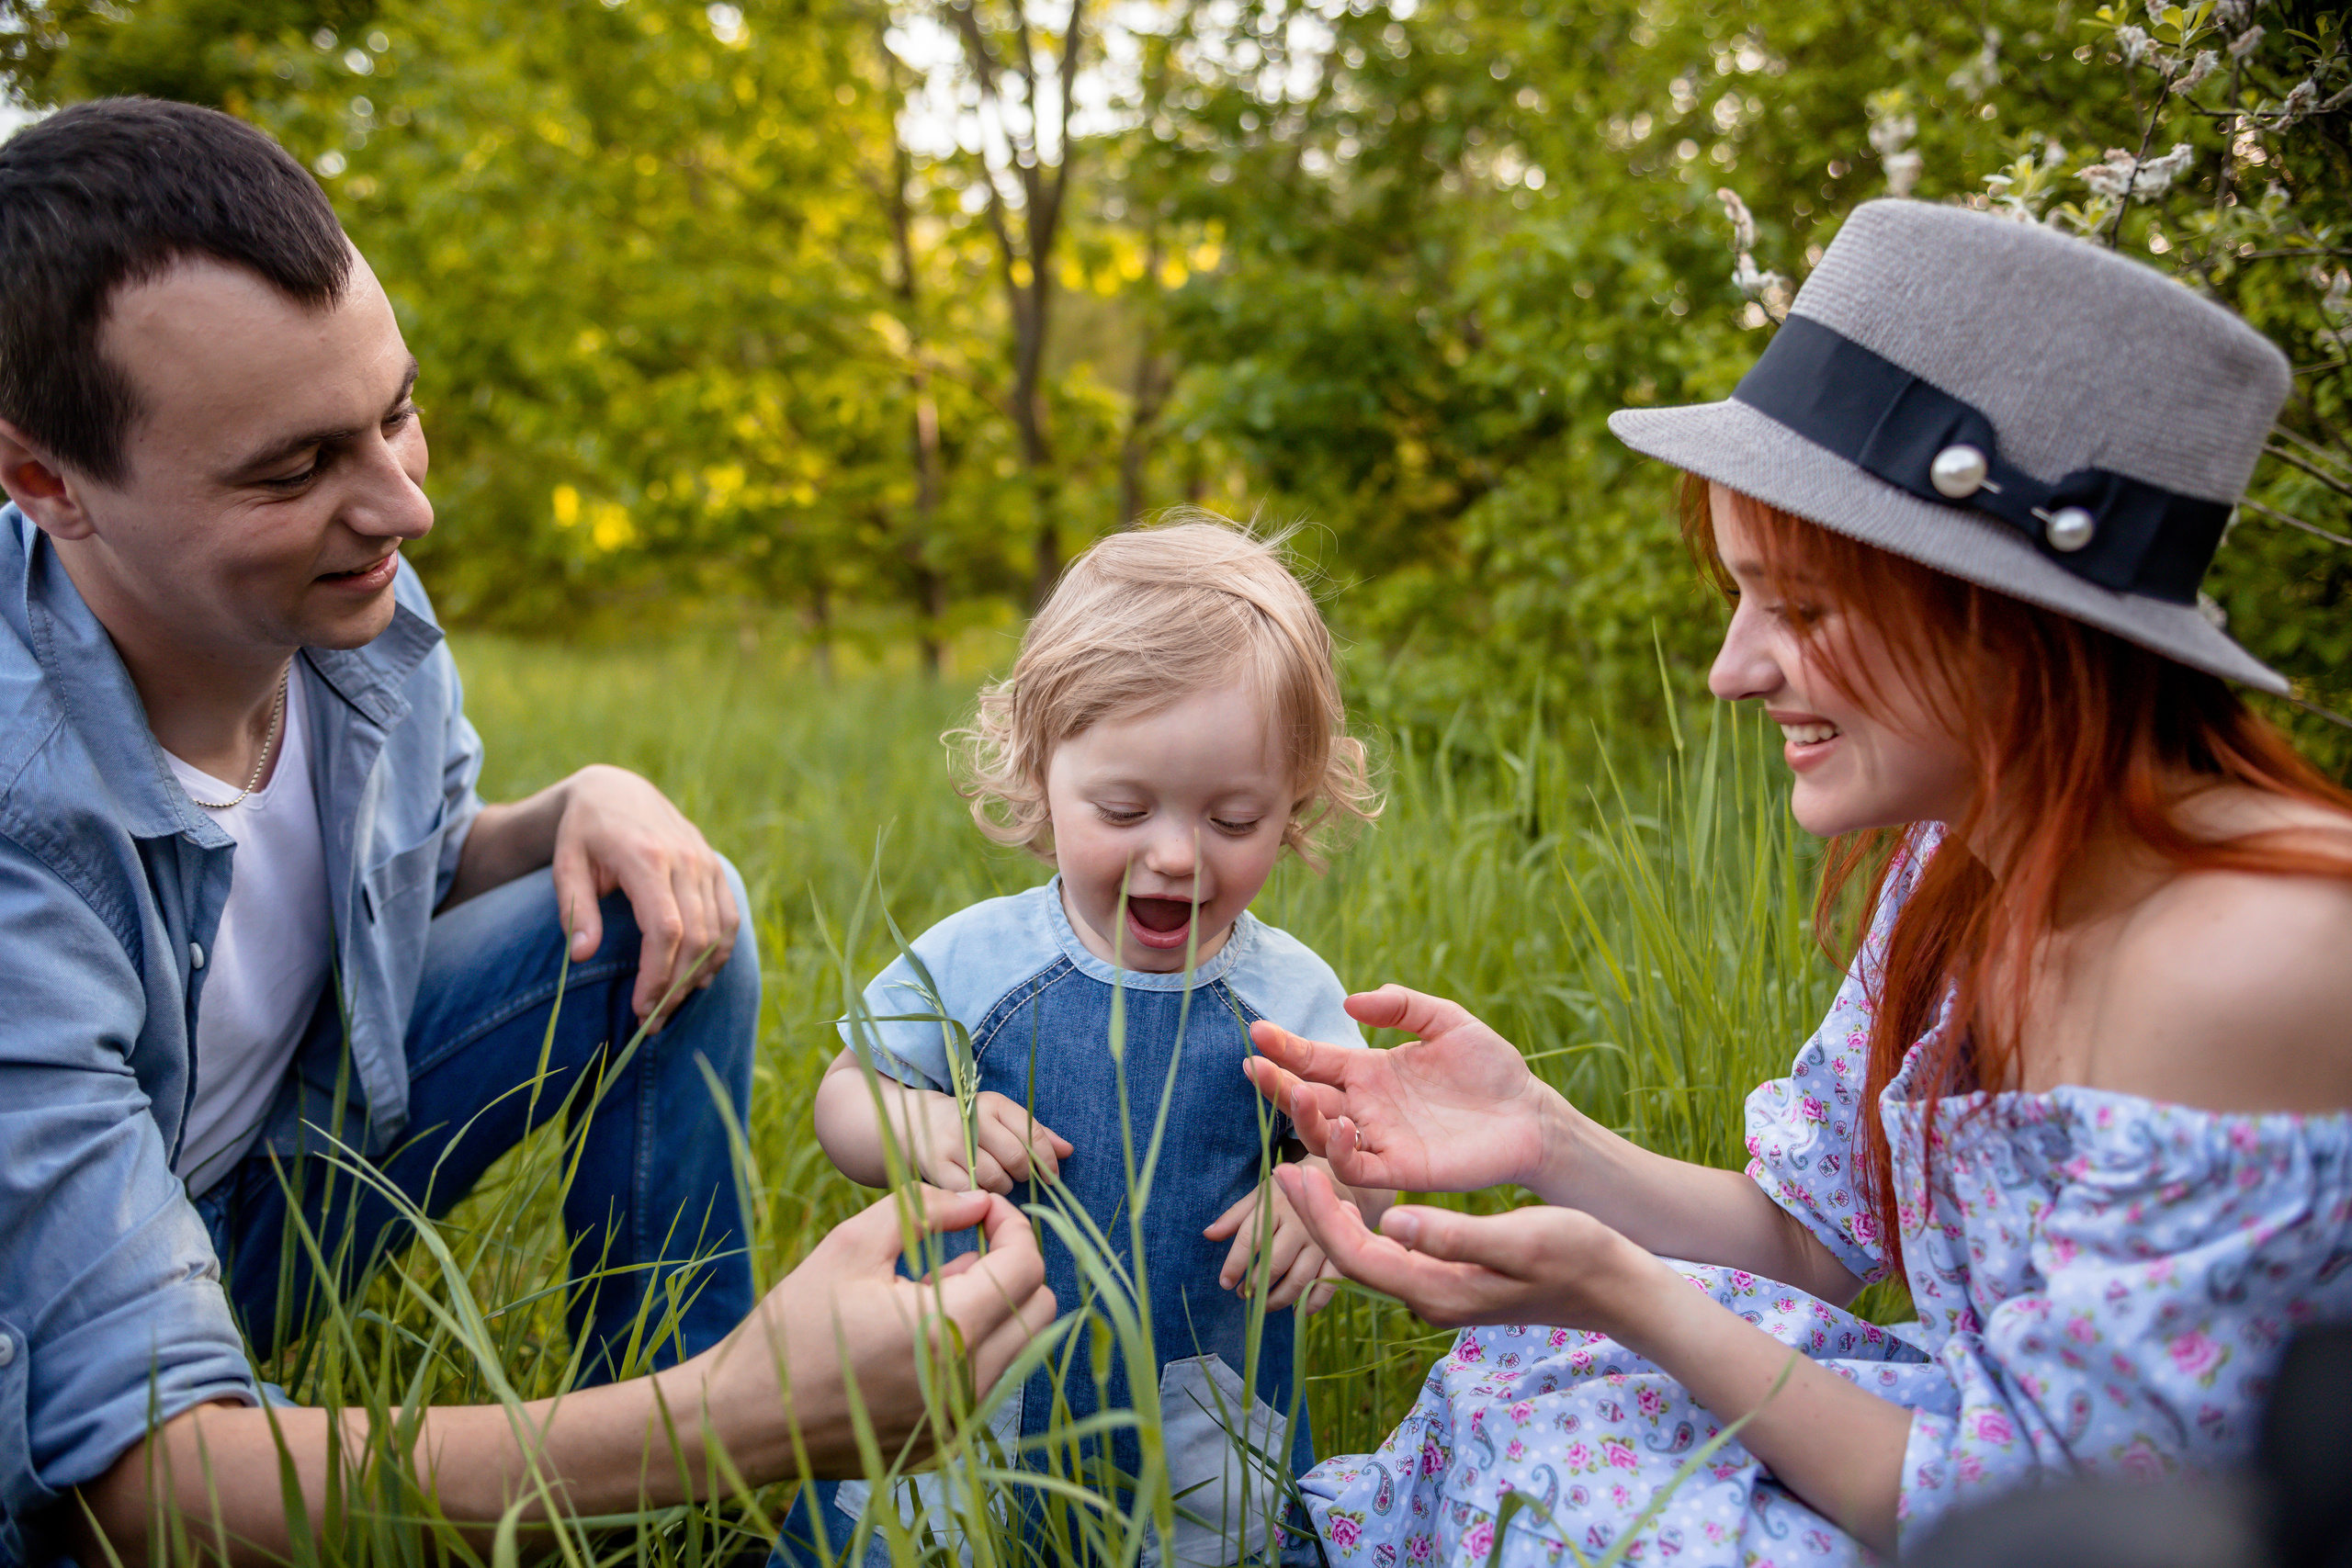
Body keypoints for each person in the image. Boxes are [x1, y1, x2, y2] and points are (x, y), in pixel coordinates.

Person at [0, 97, 1051, 1567]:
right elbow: (143, 1484)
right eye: (295, 468)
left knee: (660, 911)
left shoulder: (338, 598)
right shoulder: (17, 830)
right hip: (79, 1339)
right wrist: (731, 1407)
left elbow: (385, 876)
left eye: (397, 408)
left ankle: (723, 1532)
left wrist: (573, 804)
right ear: (48, 482)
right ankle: (718, 1447)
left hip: (271, 1176)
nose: (404, 504)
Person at [1240, 199, 2352, 1567]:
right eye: (1741, 597)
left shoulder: (2246, 958)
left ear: (2008, 616)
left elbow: (2050, 1525)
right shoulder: (1965, 856)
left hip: (2114, 1531)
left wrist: (1628, 1292)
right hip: (1983, 1459)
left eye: (1804, 608)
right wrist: (1543, 1134)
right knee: (1534, 1386)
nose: (1732, 669)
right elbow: (1814, 1236)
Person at [786, 519, 1390, 1565]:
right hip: (973, 1383)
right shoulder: (980, 964)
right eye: (1123, 807)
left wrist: (1330, 1200)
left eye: (1233, 821)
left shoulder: (1288, 995)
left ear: (1293, 807)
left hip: (1199, 1403)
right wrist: (920, 1123)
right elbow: (847, 1095)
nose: (1173, 855)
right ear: (1039, 772)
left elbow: (1363, 1151)